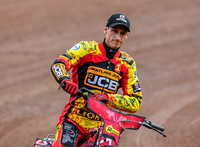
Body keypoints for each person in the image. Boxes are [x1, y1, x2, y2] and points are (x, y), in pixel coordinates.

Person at [51, 13, 143, 147]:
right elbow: (59, 64)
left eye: (122, 33)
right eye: (114, 31)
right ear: (106, 30)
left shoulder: (127, 64)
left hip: (103, 126)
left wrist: (106, 98)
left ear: (127, 36)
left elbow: (135, 102)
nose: (117, 37)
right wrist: (65, 80)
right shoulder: (87, 49)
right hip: (74, 119)